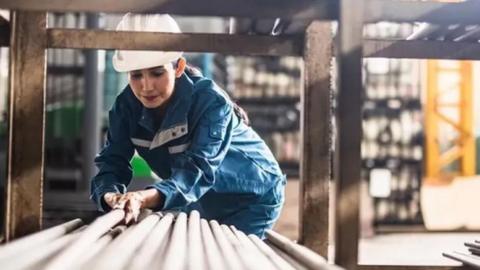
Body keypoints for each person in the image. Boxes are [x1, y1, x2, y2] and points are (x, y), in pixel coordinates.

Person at [90, 13, 286, 238]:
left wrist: (143, 198)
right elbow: (112, 162)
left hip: (252, 196)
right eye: (136, 75)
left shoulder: (210, 102)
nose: (146, 86)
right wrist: (110, 196)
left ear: (179, 67)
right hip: (200, 198)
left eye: (157, 73)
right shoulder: (126, 108)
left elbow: (197, 170)